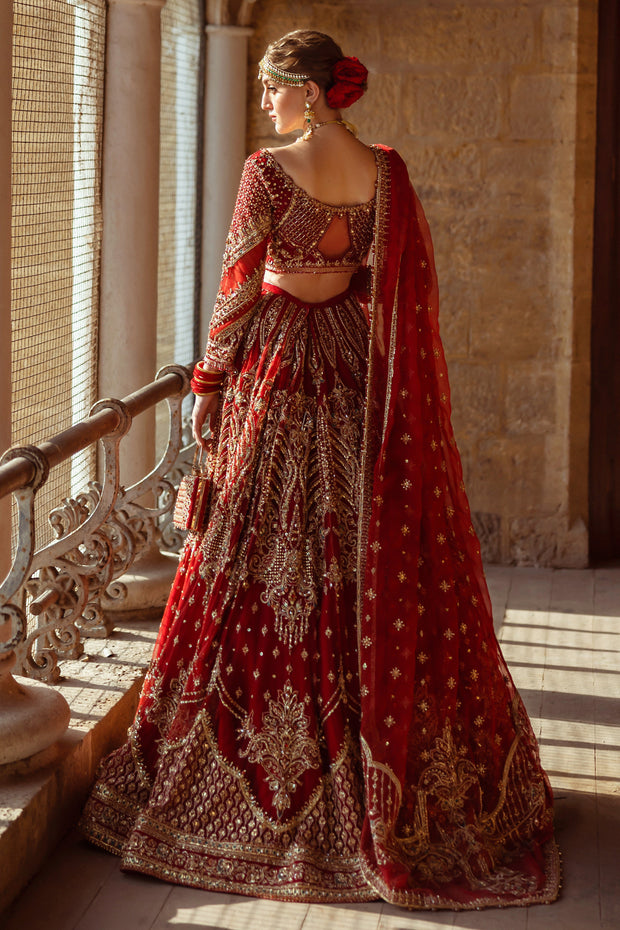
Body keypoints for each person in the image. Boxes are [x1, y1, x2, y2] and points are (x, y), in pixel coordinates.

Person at [80, 29, 560, 909]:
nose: (266, 104)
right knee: (355, 544)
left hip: (276, 367)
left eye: (271, 88)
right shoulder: (388, 172)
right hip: (351, 370)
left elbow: (234, 287)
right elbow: (390, 285)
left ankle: (253, 792)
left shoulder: (268, 171)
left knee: (255, 551)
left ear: (305, 89)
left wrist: (210, 383)